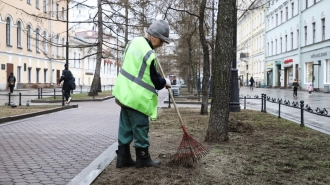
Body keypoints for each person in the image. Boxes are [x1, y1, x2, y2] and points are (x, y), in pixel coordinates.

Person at [112, 20, 171, 168]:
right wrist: (165, 82)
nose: (162, 44)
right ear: (154, 36)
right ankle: (143, 159)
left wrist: (160, 78)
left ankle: (123, 158)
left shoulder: (134, 43)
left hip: (124, 93)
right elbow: (155, 81)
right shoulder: (149, 53)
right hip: (137, 98)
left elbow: (139, 69)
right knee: (140, 127)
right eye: (162, 41)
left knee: (125, 126)